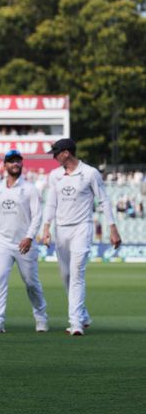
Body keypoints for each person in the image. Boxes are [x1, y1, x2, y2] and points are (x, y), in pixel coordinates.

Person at [39, 138, 122, 336]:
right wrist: (46, 228)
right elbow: (51, 203)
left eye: (56, 153)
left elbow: (104, 201)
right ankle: (82, 315)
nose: (54, 156)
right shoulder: (55, 176)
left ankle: (75, 322)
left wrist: (113, 228)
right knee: (66, 275)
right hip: (61, 230)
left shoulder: (90, 173)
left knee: (77, 273)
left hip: (82, 228)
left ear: (66, 153)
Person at [0, 149, 49, 333]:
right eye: (11, 161)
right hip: (2, 243)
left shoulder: (30, 189)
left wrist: (29, 236)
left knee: (31, 283)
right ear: (5, 165)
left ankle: (41, 317)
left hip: (25, 244)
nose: (15, 164)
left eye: (18, 161)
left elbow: (37, 216)